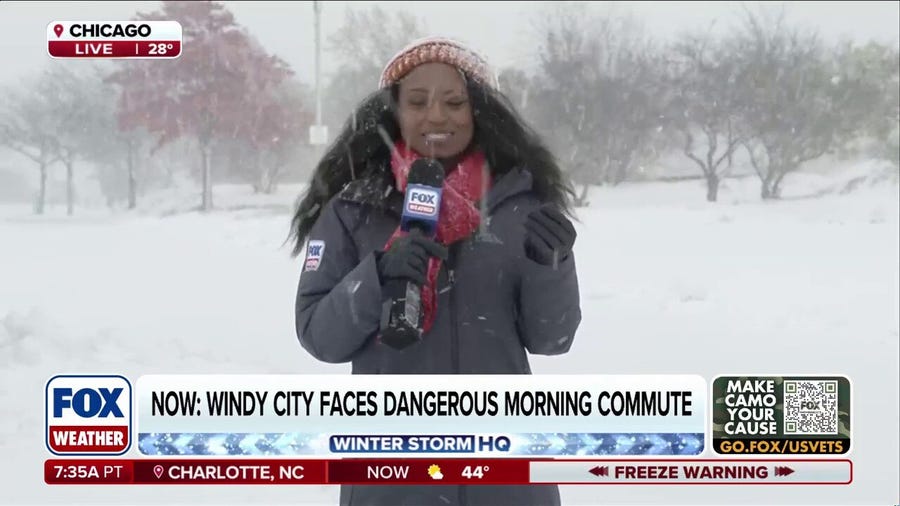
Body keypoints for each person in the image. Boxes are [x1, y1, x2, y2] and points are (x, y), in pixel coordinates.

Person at [289, 37, 582, 506]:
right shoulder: (352, 210)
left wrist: (553, 267)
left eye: (454, 102)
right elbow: (319, 336)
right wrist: (377, 276)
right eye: (418, 102)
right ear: (394, 112)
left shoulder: (520, 208)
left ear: (480, 111)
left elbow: (553, 339)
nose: (436, 117)